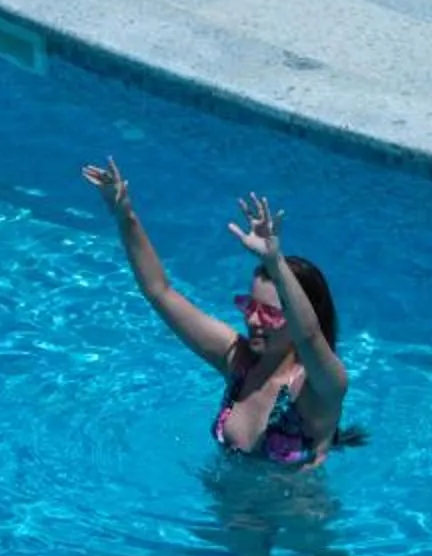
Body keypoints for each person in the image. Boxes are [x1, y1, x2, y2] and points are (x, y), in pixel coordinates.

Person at [83, 160, 354, 468]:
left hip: (294, 502)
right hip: (219, 500)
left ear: (297, 316)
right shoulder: (238, 361)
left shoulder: (322, 387)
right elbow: (160, 292)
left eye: (270, 314)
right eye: (250, 307)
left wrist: (275, 262)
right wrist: (125, 215)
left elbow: (309, 336)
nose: (253, 320)